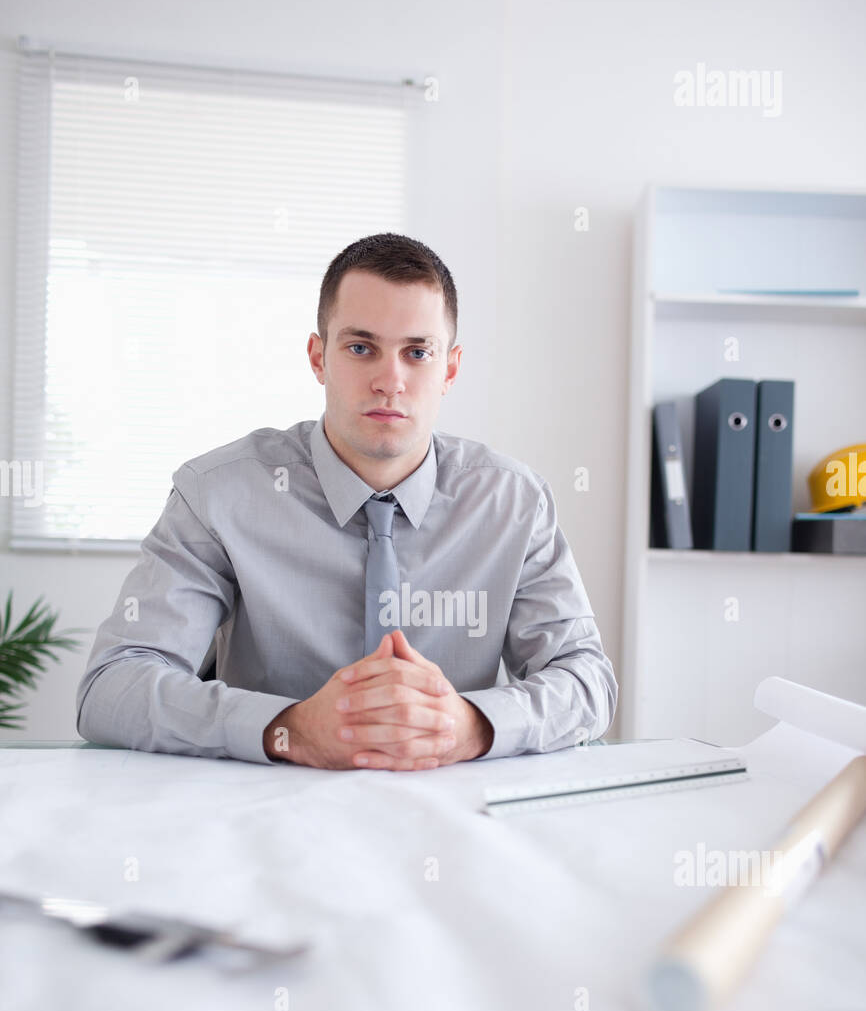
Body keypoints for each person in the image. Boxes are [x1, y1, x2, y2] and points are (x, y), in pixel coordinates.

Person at [76, 232, 617, 770]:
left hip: (451, 814)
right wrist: (288, 729)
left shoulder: (513, 504)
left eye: (417, 352)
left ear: (449, 369)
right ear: (319, 358)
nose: (390, 381)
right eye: (361, 348)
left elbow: (588, 682)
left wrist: (470, 726)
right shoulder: (218, 494)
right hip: (266, 811)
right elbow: (112, 686)